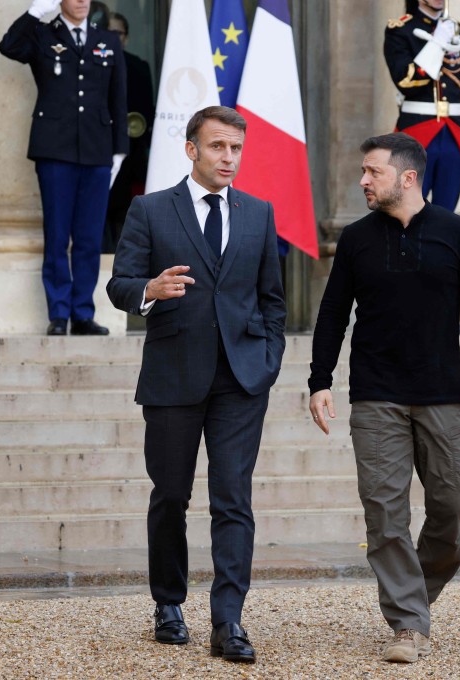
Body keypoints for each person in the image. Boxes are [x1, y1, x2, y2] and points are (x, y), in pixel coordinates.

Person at [308, 132, 460, 663]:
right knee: (384, 513)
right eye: (363, 171)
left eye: (373, 172)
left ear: (408, 177)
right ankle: (408, 625)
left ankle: (413, 595)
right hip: (375, 396)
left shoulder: (456, 233)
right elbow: (331, 314)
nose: (363, 181)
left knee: (454, 504)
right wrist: (319, 380)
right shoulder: (356, 239)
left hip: (441, 393)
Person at [106, 105, 285, 663]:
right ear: (191, 150)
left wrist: (268, 359)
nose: (228, 158)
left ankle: (228, 621)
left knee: (233, 499)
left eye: (235, 148)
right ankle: (168, 601)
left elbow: (272, 300)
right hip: (173, 375)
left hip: (241, 379)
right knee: (172, 496)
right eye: (217, 147)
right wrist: (149, 290)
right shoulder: (151, 210)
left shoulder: (258, 213)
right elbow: (119, 284)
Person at [0, 0, 127, 336]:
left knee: (88, 238)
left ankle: (82, 313)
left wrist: (120, 149)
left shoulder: (107, 40)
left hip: (98, 150)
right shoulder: (43, 34)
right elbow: (8, 46)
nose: (82, 1)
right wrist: (35, 12)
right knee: (57, 236)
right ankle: (58, 313)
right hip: (55, 150)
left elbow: (119, 96)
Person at [384, 0, 460, 211]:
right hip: (416, 133)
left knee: (445, 214)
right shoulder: (401, 30)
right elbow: (405, 81)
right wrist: (436, 44)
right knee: (407, 211)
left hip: (453, 135)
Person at [104, 11, 154, 252]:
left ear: (126, 37)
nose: (114, 37)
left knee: (128, 213)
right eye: (109, 32)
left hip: (132, 153)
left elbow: (147, 109)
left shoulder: (138, 66)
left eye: (119, 33)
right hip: (100, 149)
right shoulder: (94, 64)